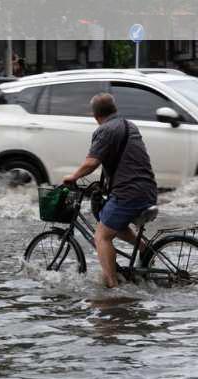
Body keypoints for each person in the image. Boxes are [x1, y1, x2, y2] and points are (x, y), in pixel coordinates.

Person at [63, 93, 158, 288]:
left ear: (95, 115)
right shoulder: (128, 125)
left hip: (128, 192)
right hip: (147, 189)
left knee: (102, 236)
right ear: (114, 109)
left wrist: (73, 177)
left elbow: (92, 162)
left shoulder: (105, 130)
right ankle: (147, 250)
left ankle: (112, 286)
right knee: (116, 225)